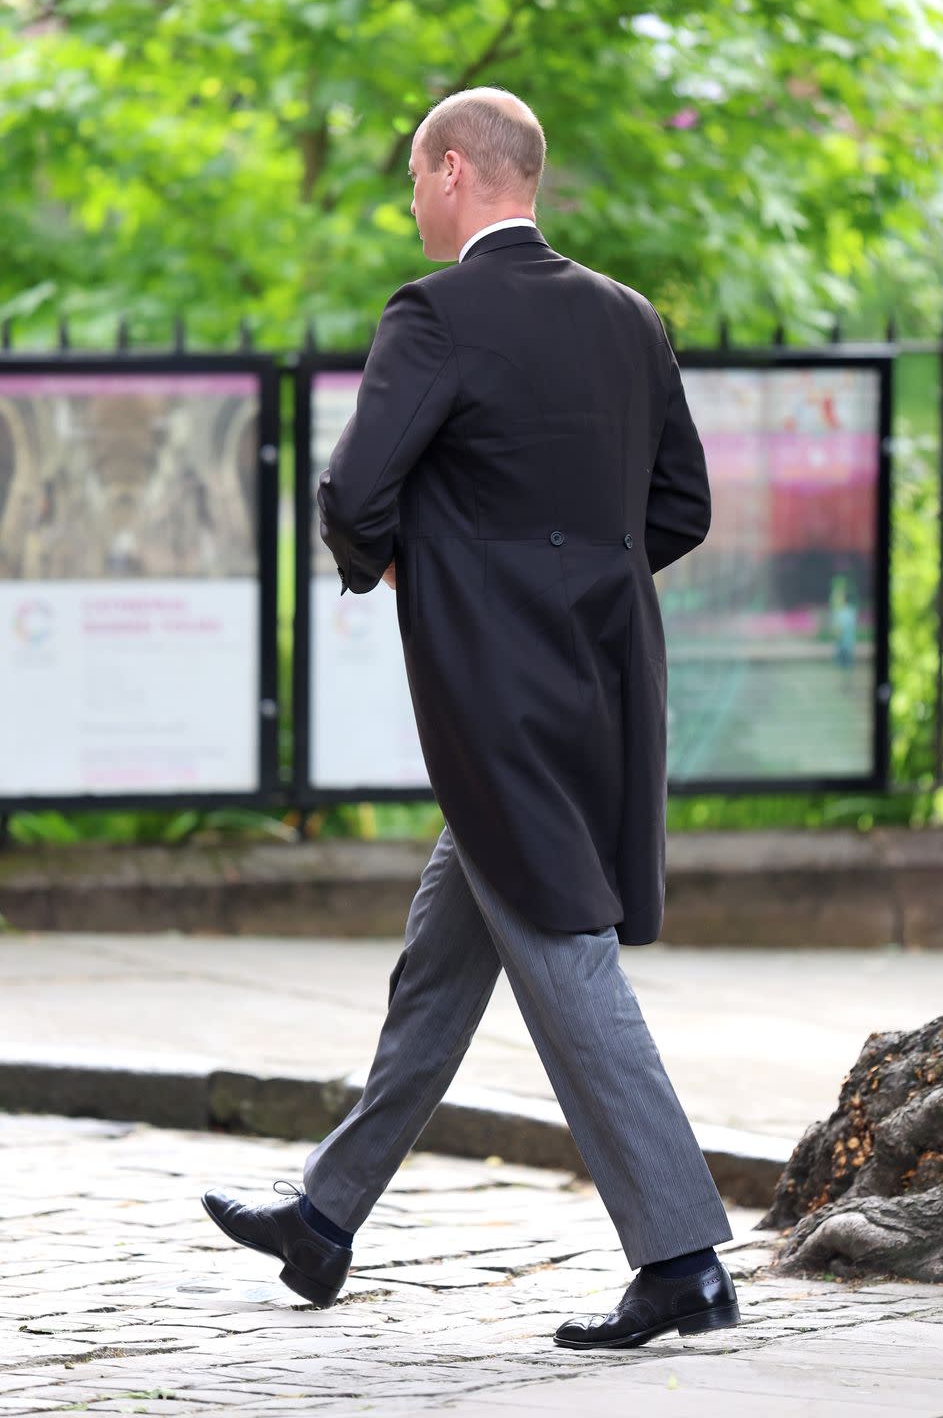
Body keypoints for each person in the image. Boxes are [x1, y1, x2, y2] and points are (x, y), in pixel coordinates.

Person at [203, 85, 740, 1352]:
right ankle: (327, 1217)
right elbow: (683, 508)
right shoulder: (628, 318)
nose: (410, 202)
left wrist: (414, 564)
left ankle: (683, 1260)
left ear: (453, 171)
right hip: (605, 673)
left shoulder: (434, 311)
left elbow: (355, 487)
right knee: (448, 948)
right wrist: (570, 578)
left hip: (493, 687)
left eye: (412, 178)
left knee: (562, 947)